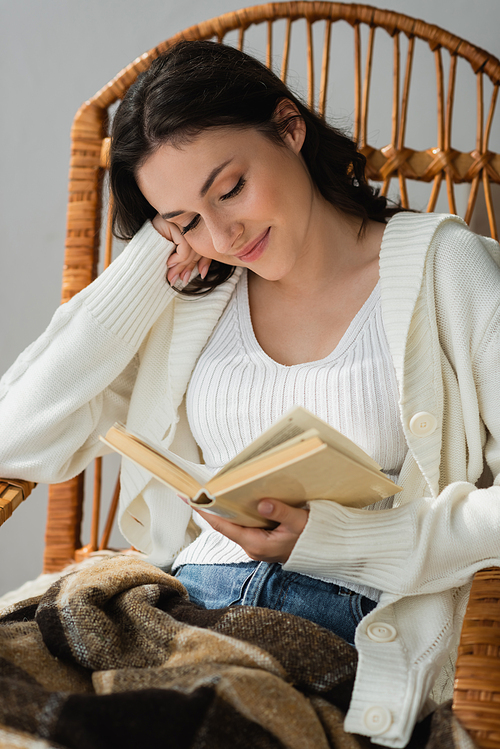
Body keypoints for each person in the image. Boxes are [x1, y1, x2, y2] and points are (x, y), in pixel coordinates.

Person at [1, 40, 500, 747]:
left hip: (336, 632)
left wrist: (351, 538)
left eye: (229, 188)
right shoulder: (191, 296)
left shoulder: (449, 269)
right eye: (185, 218)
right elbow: (15, 435)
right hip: (164, 612)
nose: (225, 233)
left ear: (289, 129)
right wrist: (152, 255)